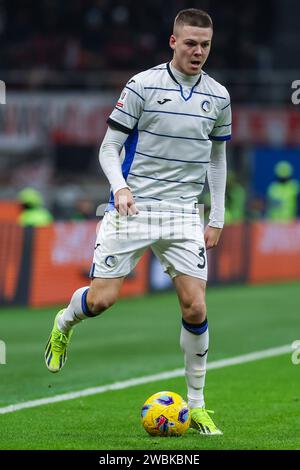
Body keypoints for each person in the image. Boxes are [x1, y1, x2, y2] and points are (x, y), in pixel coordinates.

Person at [45, 8, 231, 436]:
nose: (198, 51)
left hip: (185, 213)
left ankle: (198, 405)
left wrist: (217, 216)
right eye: (190, 43)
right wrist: (121, 188)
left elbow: (217, 159)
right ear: (173, 42)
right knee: (101, 301)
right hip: (135, 208)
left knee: (196, 305)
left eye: (204, 44)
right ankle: (64, 323)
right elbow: (109, 147)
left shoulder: (219, 96)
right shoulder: (142, 85)